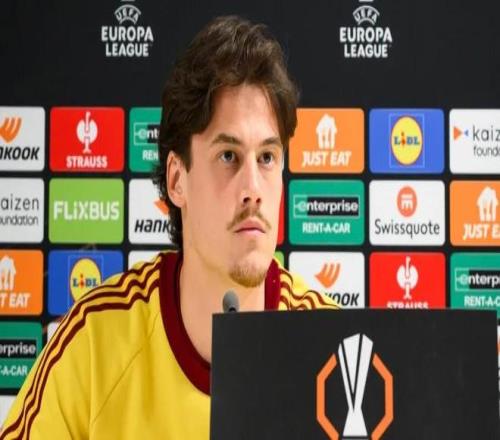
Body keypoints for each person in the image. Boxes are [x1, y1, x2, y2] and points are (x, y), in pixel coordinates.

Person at [0, 15, 338, 439]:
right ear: (177, 180)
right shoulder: (93, 342)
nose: (253, 189)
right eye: (229, 156)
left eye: (267, 158)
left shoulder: (332, 344)